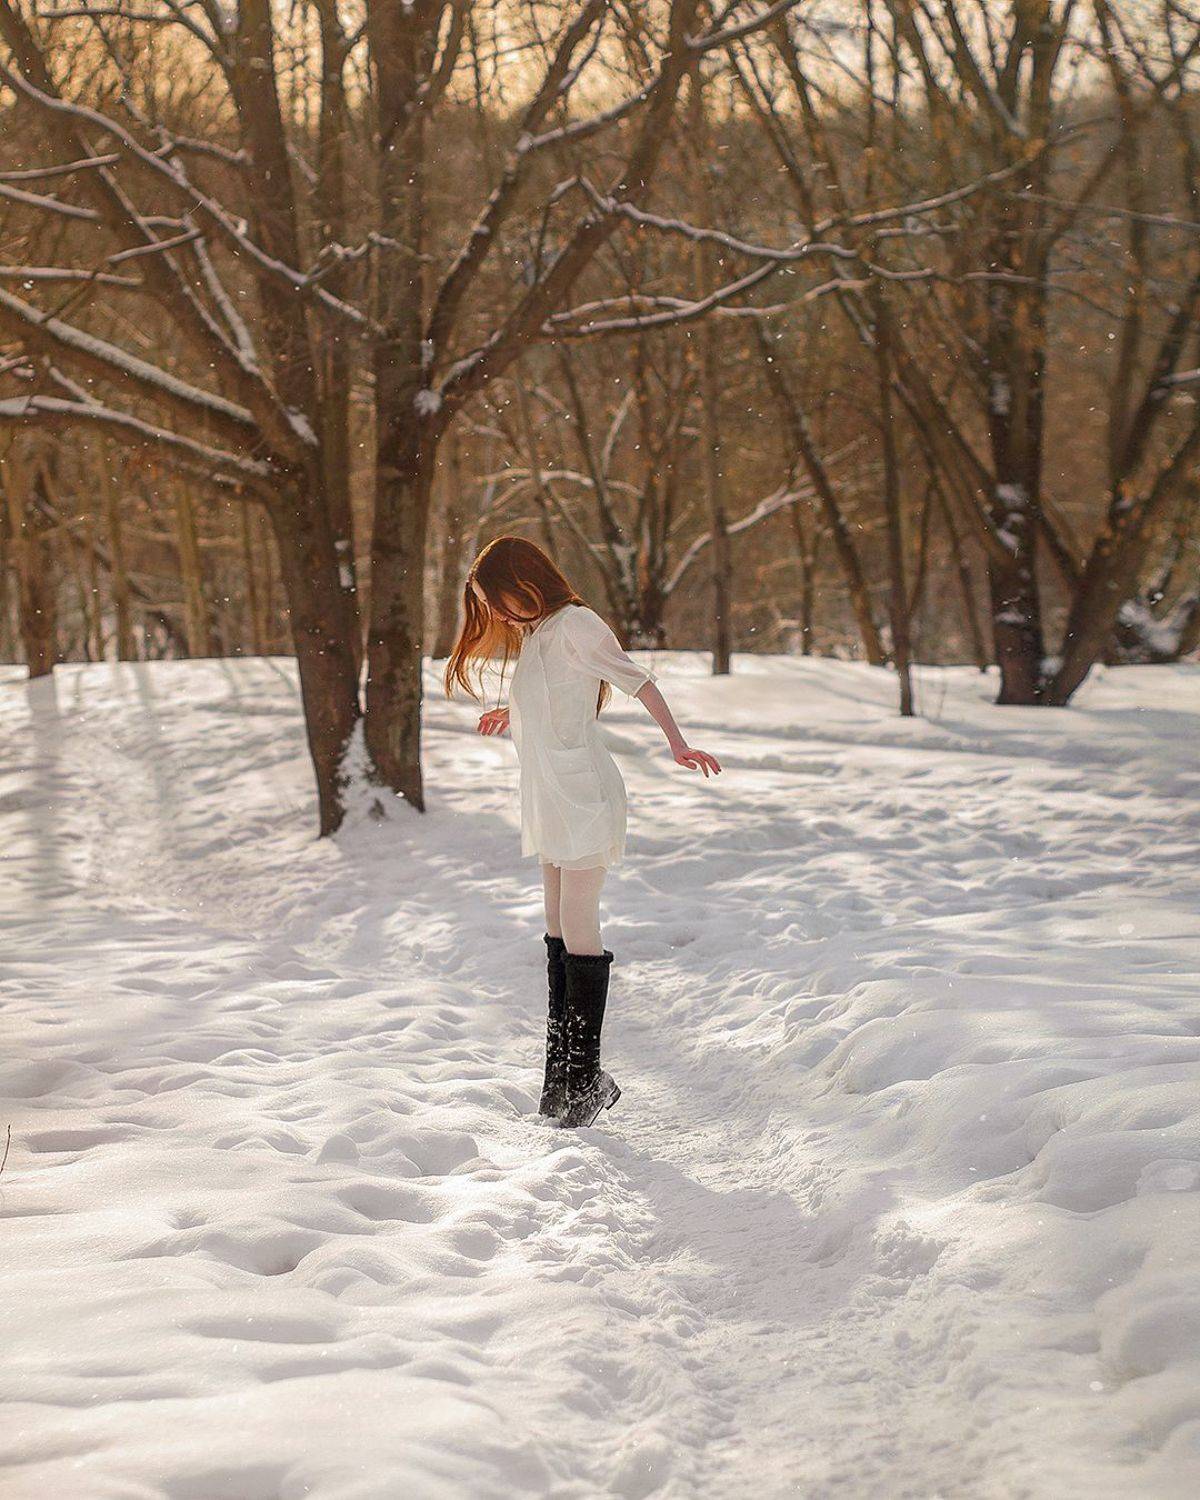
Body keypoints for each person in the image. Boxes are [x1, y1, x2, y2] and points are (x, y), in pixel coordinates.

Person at [444, 536, 722, 1128]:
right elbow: (559, 700)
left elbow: (637, 680)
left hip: (585, 795)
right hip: (551, 797)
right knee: (555, 928)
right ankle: (563, 1081)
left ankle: (585, 1074)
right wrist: (510, 714)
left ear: (525, 584)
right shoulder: (541, 634)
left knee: (577, 922)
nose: (493, 616)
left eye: (495, 602)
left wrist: (677, 743)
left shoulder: (576, 624)